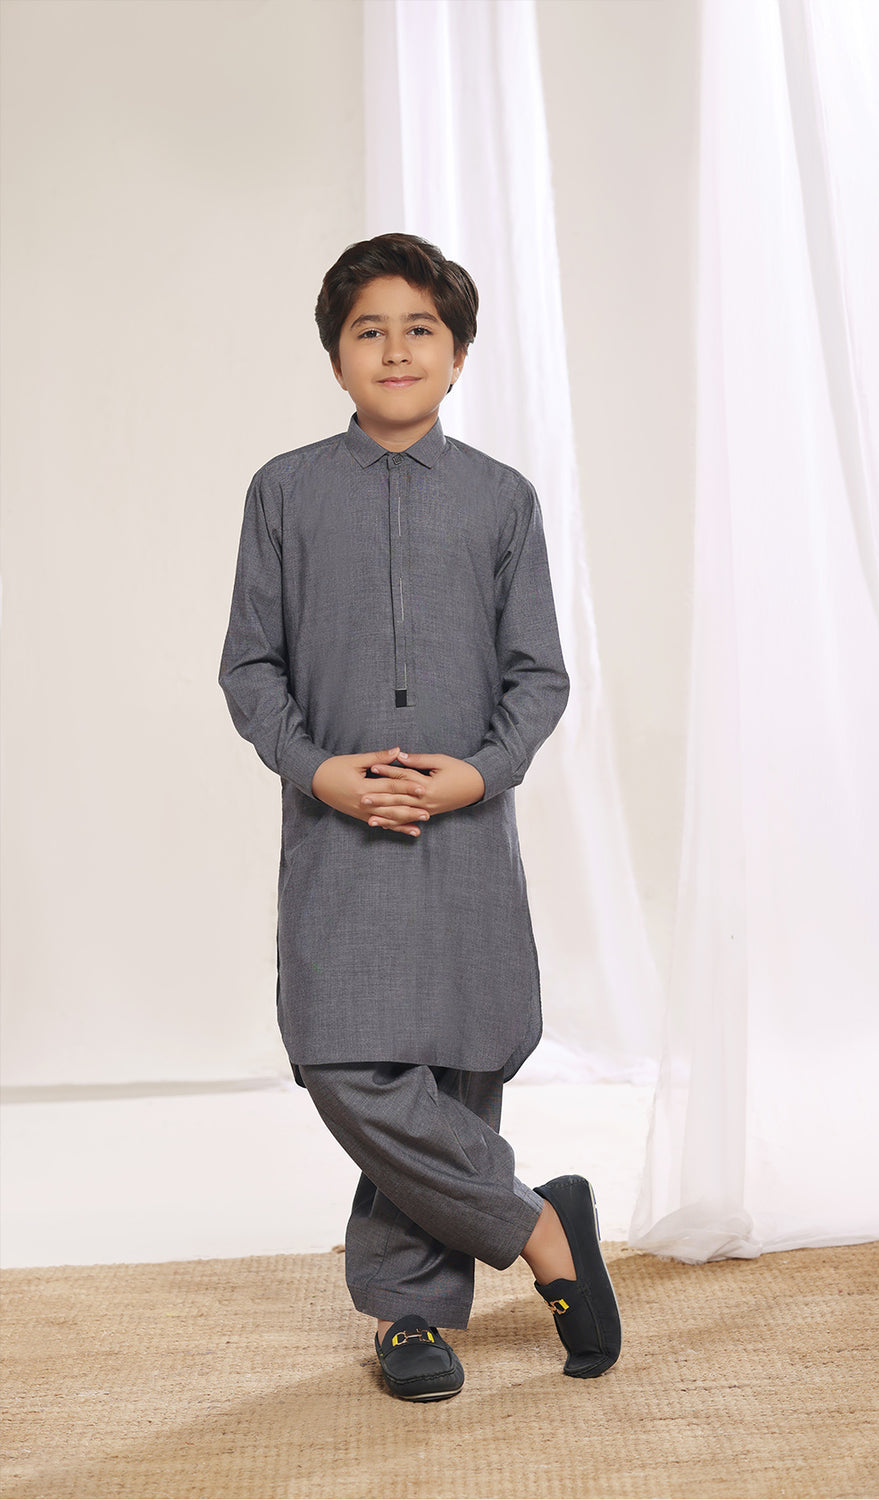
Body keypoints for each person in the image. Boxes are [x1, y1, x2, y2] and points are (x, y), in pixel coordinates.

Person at [220, 233, 621, 1401]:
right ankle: (542, 1227)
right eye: (369, 330)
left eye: (420, 330)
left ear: (457, 355)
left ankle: (411, 1319)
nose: (395, 349)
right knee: (344, 1058)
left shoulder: (502, 500)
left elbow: (538, 675)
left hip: (462, 838)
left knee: (452, 1068)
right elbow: (250, 667)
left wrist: (478, 775)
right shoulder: (285, 492)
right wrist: (319, 772)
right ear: (334, 356)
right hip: (337, 835)